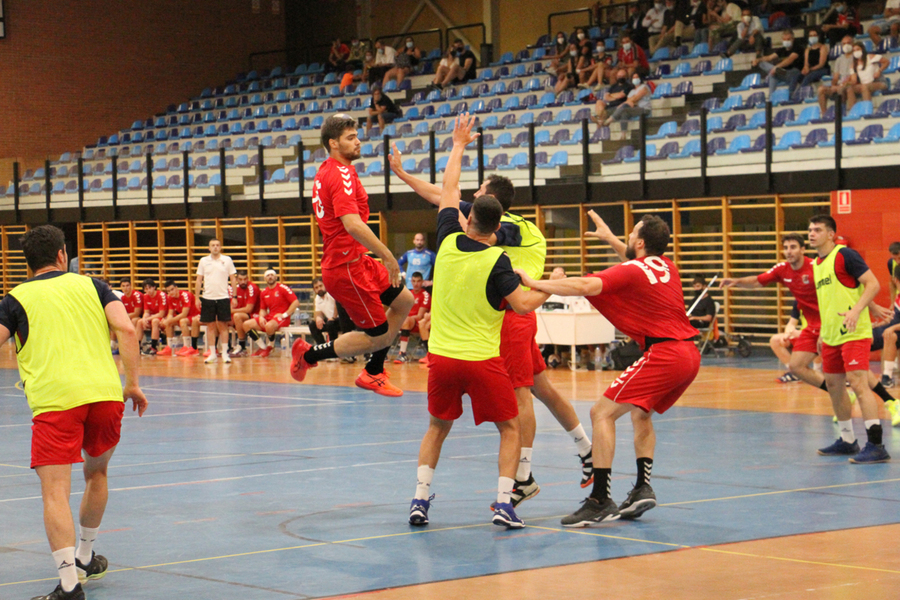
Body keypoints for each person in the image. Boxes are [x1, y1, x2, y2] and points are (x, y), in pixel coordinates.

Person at [389, 149, 594, 510]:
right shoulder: (492, 219)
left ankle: (523, 477)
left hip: (512, 313)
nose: (472, 196)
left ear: (492, 203)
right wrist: (404, 177)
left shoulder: (514, 230)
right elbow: (444, 195)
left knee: (520, 395)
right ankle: (586, 448)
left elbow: (455, 206)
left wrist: (549, 283)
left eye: (479, 192)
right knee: (542, 387)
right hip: (507, 311)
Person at [405, 114, 558, 529]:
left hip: (441, 358)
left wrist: (457, 145)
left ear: (467, 219)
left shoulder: (448, 242)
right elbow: (524, 305)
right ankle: (505, 504)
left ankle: (420, 501)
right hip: (482, 361)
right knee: (510, 428)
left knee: (437, 428)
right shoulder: (499, 260)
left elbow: (450, 189)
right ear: (497, 228)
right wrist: (551, 285)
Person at [517, 212, 701, 527]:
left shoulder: (635, 267)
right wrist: (612, 239)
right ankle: (643, 486)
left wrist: (536, 282)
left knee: (601, 413)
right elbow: (638, 265)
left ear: (640, 242)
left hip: (665, 352)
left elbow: (587, 284)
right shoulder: (667, 266)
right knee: (640, 413)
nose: (628, 238)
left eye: (631, 235)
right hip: (689, 354)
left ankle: (600, 498)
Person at [0, 225, 148, 600]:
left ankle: (69, 585)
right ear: (63, 255)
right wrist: (132, 383)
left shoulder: (14, 300)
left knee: (55, 491)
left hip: (55, 402)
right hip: (104, 395)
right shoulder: (95, 286)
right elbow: (126, 331)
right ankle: (84, 555)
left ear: (28, 263)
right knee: (97, 472)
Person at [291, 114, 415, 397]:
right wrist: (387, 255)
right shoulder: (341, 173)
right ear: (333, 143)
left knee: (405, 300)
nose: (358, 141)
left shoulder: (327, 170)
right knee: (376, 336)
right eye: (350, 138)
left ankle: (374, 371)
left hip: (356, 259)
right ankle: (309, 355)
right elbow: (352, 223)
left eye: (357, 135)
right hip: (346, 266)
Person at [809, 215, 893, 463]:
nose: (812, 234)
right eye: (810, 230)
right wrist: (824, 332)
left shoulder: (845, 255)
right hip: (832, 334)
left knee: (858, 383)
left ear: (831, 234)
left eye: (817, 230)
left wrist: (858, 310)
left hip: (854, 332)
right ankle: (847, 441)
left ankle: (876, 445)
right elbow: (839, 294)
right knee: (835, 387)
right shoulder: (816, 264)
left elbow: (873, 284)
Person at [194, 238, 238, 364]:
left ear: (220, 247)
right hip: (208, 298)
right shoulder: (203, 261)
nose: (215, 247)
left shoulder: (227, 260)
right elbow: (199, 280)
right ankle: (212, 353)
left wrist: (234, 297)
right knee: (210, 327)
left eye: (217, 245)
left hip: (223, 297)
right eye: (212, 245)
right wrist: (197, 297)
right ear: (209, 248)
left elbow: (233, 279)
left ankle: (224, 353)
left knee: (223, 326)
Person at [242, 269, 300, 358]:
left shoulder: (283, 288)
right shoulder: (264, 292)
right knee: (246, 324)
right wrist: (261, 317)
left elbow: (296, 302)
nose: (270, 277)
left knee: (269, 326)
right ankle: (262, 347)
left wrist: (285, 314)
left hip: (282, 318)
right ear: (265, 278)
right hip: (270, 317)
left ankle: (270, 346)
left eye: (272, 275)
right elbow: (263, 309)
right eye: (268, 275)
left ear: (276, 277)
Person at [751, 28, 803, 96]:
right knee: (766, 68)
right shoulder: (782, 50)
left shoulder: (797, 48)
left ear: (792, 39)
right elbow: (769, 58)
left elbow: (790, 60)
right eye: (784, 39)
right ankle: (771, 97)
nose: (786, 41)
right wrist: (758, 60)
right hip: (783, 73)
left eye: (788, 39)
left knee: (773, 71)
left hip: (793, 73)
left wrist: (776, 67)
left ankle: (774, 71)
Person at [394, 272, 430, 363]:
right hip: (406, 322)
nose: (415, 284)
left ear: (422, 282)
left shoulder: (425, 295)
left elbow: (419, 316)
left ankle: (402, 354)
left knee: (405, 320)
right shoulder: (409, 294)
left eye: (418, 281)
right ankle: (383, 356)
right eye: (413, 281)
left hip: (418, 324)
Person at [160, 280, 201, 357]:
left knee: (182, 321)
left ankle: (187, 346)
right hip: (185, 317)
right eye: (168, 291)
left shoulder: (185, 295)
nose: (171, 292)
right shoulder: (170, 298)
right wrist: (167, 320)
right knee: (169, 322)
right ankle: (169, 346)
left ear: (176, 288)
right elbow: (170, 313)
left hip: (195, 315)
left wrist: (169, 320)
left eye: (172, 289)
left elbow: (184, 314)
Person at [817, 36, 855, 114]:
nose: (846, 45)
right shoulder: (839, 59)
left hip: (849, 84)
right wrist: (833, 85)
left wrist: (842, 85)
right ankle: (824, 114)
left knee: (842, 89)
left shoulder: (856, 57)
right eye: (844, 44)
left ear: (853, 44)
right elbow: (835, 77)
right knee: (821, 89)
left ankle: (843, 113)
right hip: (840, 84)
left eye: (848, 43)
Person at [846, 42, 889, 110]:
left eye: (858, 49)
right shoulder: (853, 65)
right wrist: (847, 83)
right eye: (854, 50)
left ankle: (867, 110)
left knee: (864, 87)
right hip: (864, 85)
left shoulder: (870, 57)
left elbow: (886, 62)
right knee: (850, 89)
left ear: (862, 50)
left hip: (879, 82)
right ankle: (852, 111)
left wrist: (879, 71)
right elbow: (854, 80)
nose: (856, 52)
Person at [229, 270, 261, 357]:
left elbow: (249, 309)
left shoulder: (252, 288)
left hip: (254, 314)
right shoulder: (235, 289)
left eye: (245, 279)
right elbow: (231, 306)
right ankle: (227, 347)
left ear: (248, 278)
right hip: (242, 313)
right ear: (236, 280)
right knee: (220, 318)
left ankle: (242, 347)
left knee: (237, 316)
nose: (243, 281)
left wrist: (231, 311)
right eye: (240, 279)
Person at [137, 278, 168, 356]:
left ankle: (153, 347)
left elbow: (161, 314)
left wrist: (148, 318)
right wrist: (144, 318)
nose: (148, 290)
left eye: (150, 288)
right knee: (140, 321)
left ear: (154, 287)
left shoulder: (161, 295)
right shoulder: (146, 296)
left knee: (155, 321)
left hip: (164, 318)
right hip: (154, 317)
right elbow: (146, 312)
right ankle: (137, 346)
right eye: (146, 289)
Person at [310, 276, 340, 346]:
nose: (319, 289)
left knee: (330, 324)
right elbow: (318, 312)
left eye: (320, 286)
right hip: (330, 321)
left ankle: (333, 348)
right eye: (316, 288)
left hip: (339, 321)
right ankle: (322, 347)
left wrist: (333, 317)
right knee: (312, 325)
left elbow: (337, 305)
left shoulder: (331, 293)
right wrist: (318, 318)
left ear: (325, 285)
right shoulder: (317, 298)